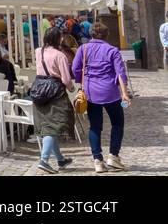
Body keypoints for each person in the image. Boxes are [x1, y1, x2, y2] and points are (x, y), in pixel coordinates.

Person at [73, 21, 130, 172]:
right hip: (110, 92)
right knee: (117, 123)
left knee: (95, 126)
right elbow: (120, 74)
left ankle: (98, 160)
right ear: (106, 35)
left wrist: (81, 80)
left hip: (90, 92)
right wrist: (124, 93)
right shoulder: (112, 50)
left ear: (91, 34)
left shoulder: (83, 49)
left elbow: (75, 68)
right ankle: (113, 156)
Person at [33, 26, 76, 174]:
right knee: (53, 127)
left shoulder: (38, 51)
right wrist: (71, 88)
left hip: (39, 90)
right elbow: (65, 78)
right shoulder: (60, 55)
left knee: (49, 127)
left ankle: (60, 159)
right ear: (58, 38)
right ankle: (43, 160)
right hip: (55, 92)